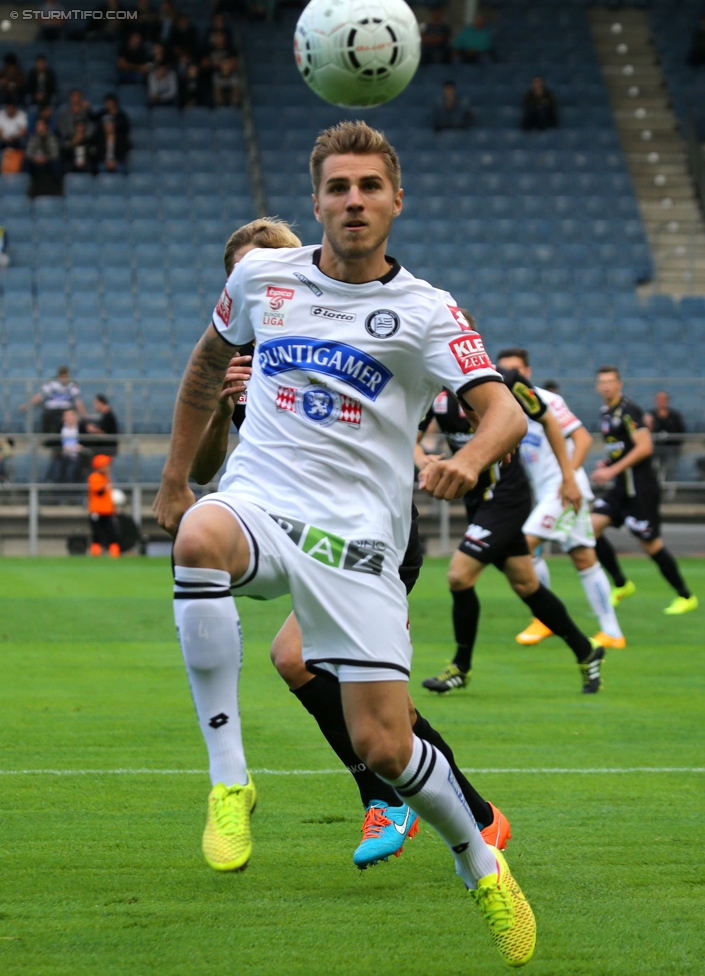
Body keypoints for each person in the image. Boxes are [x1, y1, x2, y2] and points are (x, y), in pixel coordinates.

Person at [154, 122, 536, 967]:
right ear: (316, 200)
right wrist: (178, 479)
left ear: (396, 199)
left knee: (384, 747)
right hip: (261, 501)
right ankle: (229, 780)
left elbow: (503, 406)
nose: (353, 201)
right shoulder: (262, 278)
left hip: (359, 539)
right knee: (199, 535)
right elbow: (201, 365)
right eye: (337, 187)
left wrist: (469, 459)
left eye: (368, 187)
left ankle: (480, 861)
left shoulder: (428, 309)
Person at [189, 217, 512, 871]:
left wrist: (458, 455)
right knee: (367, 700)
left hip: (370, 533)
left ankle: (396, 802)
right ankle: (470, 815)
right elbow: (204, 470)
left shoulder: (353, 329)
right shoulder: (255, 357)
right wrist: (223, 409)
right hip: (293, 530)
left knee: (297, 659)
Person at [419, 367, 607, 696]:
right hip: (477, 500)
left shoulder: (504, 381)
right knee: (526, 583)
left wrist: (568, 477)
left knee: (459, 576)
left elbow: (548, 419)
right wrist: (424, 462)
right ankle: (586, 651)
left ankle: (461, 667)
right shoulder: (432, 389)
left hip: (507, 498)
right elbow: (410, 439)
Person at [496, 349, 625, 650]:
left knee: (524, 547)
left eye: (517, 370)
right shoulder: (504, 407)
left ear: (527, 372)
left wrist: (569, 480)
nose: (512, 376)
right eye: (506, 371)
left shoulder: (546, 400)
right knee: (583, 557)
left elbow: (583, 438)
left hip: (563, 489)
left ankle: (544, 618)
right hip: (546, 491)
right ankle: (613, 633)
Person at [591, 365, 697, 616]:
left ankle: (685, 595)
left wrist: (611, 470)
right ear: (597, 386)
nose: (606, 386)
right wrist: (608, 463)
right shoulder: (606, 413)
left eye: (610, 381)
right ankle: (621, 584)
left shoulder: (629, 410)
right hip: (621, 489)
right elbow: (623, 448)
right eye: (602, 382)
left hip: (640, 489)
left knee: (650, 544)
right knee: (589, 528)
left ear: (620, 384)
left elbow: (645, 447)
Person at [20, 366, 87, 481]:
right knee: (46, 415)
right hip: (52, 410)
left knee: (68, 415)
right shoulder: (51, 384)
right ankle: (49, 438)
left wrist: (85, 416)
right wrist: (27, 405)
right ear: (59, 376)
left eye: (67, 377)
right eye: (63, 377)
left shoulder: (72, 386)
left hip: (65, 408)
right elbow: (39, 397)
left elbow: (78, 402)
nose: (65, 379)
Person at [644, 391, 686, 484]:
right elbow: (644, 431)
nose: (661, 401)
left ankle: (668, 490)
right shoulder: (651, 415)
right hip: (654, 449)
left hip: (671, 449)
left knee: (669, 469)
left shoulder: (675, 416)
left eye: (664, 399)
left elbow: (681, 432)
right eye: (659, 399)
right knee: (652, 468)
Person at [88, 454, 120, 557]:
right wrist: (105, 484)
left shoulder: (107, 478)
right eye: (105, 465)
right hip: (97, 511)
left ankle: (115, 553)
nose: (108, 467)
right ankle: (95, 553)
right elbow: (99, 492)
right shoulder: (94, 477)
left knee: (112, 533)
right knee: (97, 534)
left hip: (108, 511)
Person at [25, 116, 61, 196]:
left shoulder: (51, 137)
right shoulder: (33, 137)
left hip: (48, 163)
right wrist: (35, 158)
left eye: (40, 125)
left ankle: (55, 190)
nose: (38, 127)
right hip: (35, 162)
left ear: (45, 126)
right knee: (26, 162)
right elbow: (28, 153)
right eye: (37, 125)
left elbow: (55, 153)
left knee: (56, 163)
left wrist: (46, 158)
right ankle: (31, 189)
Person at [56, 89, 94, 157]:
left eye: (78, 95)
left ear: (81, 97)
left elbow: (91, 128)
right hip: (70, 142)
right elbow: (62, 130)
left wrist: (82, 136)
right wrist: (74, 137)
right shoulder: (64, 113)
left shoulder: (86, 112)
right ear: (70, 98)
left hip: (84, 142)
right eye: (74, 96)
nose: (76, 98)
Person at [82, 394, 119, 458]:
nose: (95, 406)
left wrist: (93, 430)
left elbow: (104, 433)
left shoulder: (109, 416)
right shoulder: (105, 415)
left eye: (95, 404)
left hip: (107, 449)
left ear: (100, 403)